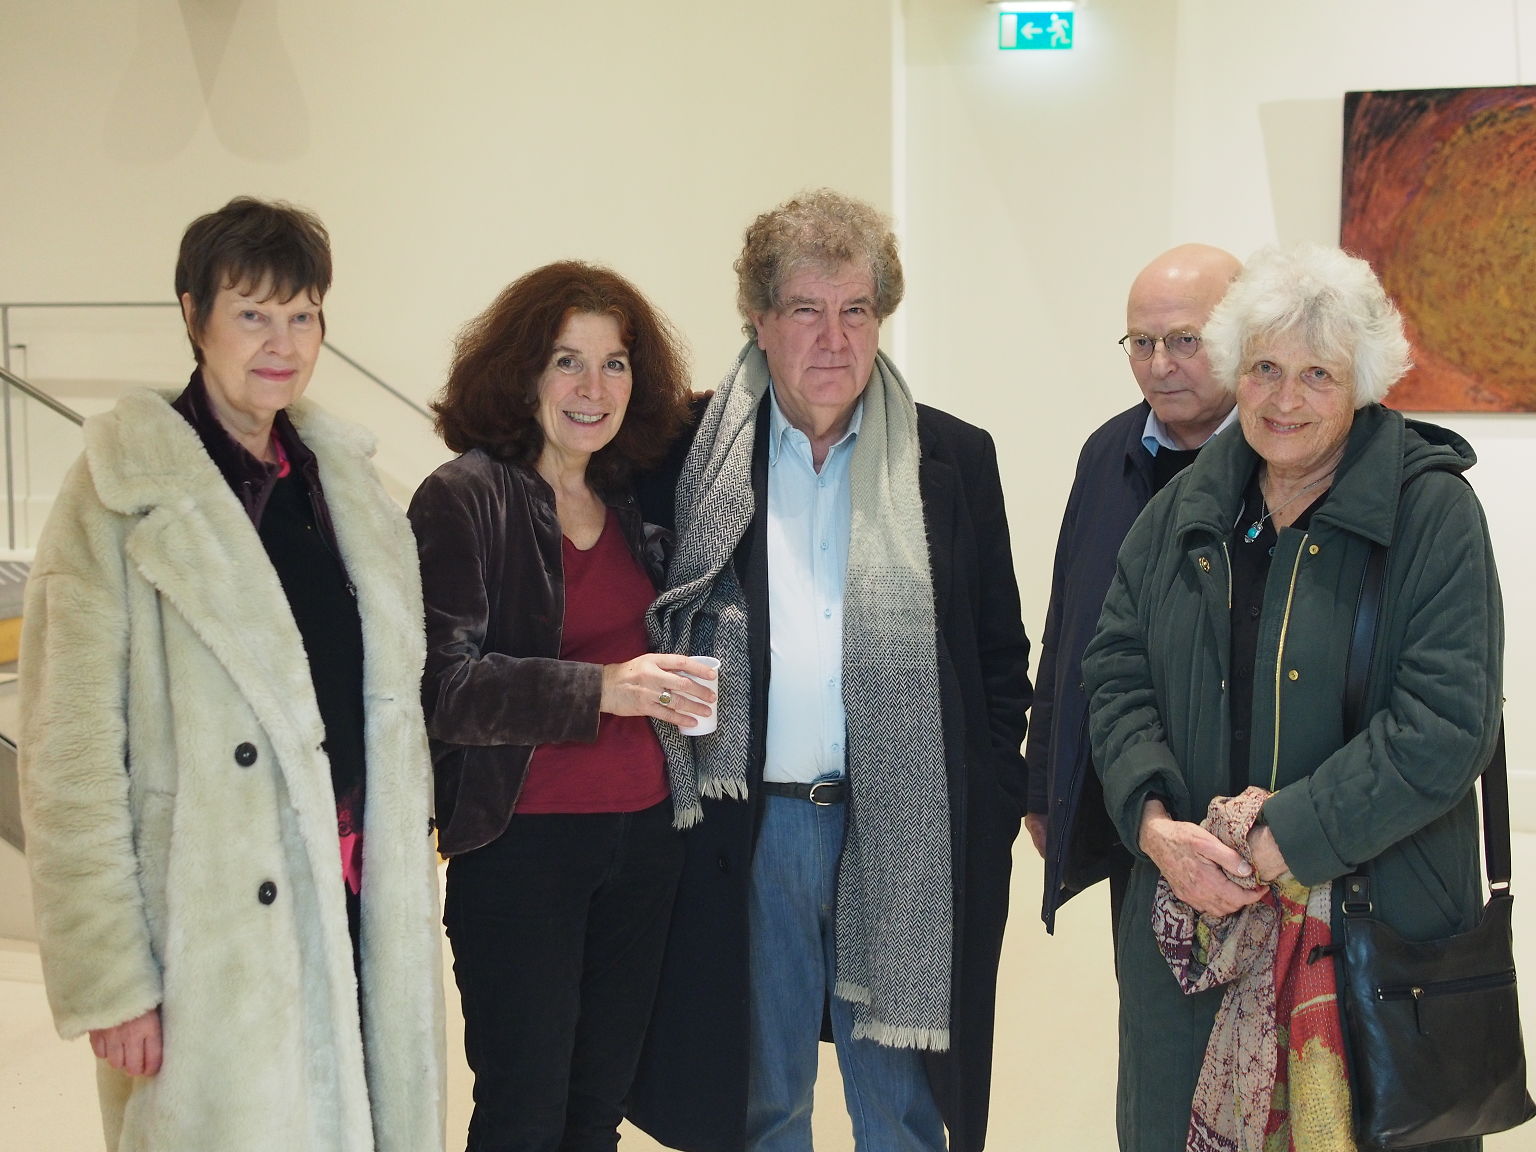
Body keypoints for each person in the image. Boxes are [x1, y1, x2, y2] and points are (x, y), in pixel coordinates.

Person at [17, 197, 445, 1151]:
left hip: (357, 890)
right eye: (252, 314)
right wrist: (112, 981)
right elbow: (67, 760)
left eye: (303, 315)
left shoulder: (342, 484)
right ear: (193, 315)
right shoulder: (117, 496)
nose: (281, 343)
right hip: (211, 933)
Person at [629, 189, 1032, 1152]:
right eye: (806, 309)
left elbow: (998, 655)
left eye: (856, 310)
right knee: (763, 1102)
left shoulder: (950, 457)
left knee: (900, 1110)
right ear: (759, 320)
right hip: (749, 830)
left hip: (900, 828)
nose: (833, 338)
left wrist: (985, 799)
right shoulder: (686, 455)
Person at [1083, 242, 1502, 1151]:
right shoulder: (1180, 510)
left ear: (1364, 384)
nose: (1284, 399)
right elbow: (1114, 672)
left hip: (1372, 949)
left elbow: (1445, 727)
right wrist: (1153, 824)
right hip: (1194, 934)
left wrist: (1282, 839)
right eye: (1265, 368)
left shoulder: (1433, 515)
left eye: (1319, 374)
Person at [408, 261, 704, 1152]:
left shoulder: (629, 498)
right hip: (522, 848)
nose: (592, 388)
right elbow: (444, 687)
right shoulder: (463, 498)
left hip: (644, 840)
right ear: (522, 370)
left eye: (615, 364)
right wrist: (602, 688)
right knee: (522, 1117)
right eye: (567, 361)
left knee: (595, 1115)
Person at [1024, 243, 1241, 937]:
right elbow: (1068, 625)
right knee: (1145, 985)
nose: (1159, 364)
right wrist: (1045, 782)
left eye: (1184, 340)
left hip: (1242, 807)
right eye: (1141, 342)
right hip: (1134, 797)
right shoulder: (1107, 453)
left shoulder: (1280, 459)